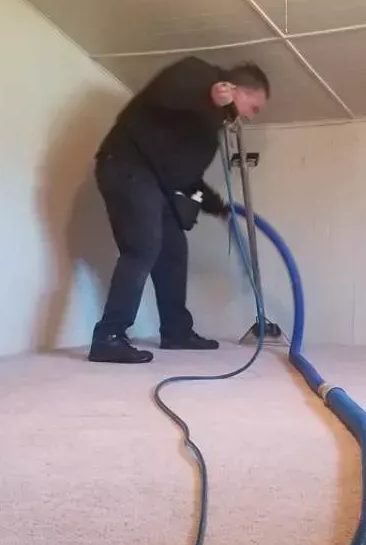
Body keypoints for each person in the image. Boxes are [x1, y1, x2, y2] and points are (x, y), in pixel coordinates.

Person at [88, 56, 271, 364]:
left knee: (173, 250)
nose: (249, 118)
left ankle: (175, 331)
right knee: (143, 247)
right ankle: (108, 336)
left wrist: (217, 207)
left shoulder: (206, 136)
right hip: (125, 165)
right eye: (253, 108)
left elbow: (185, 179)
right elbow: (163, 93)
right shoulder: (197, 73)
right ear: (237, 90)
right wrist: (209, 95)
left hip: (156, 181)